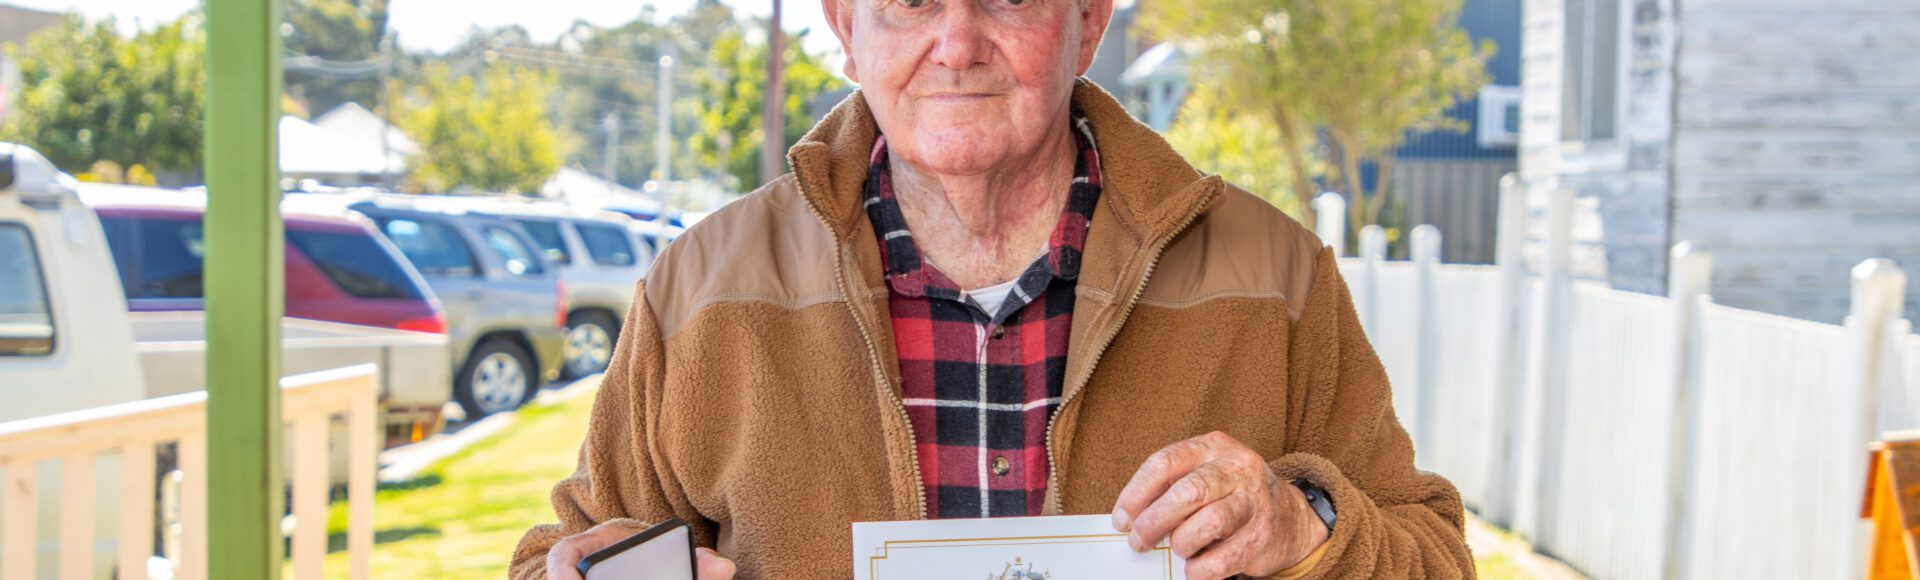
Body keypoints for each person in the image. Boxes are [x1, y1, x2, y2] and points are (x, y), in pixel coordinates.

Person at [514, 0, 1473, 577]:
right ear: (846, 29)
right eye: (910, 0)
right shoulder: (705, 289)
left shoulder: (1275, 278)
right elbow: (570, 548)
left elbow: (1433, 557)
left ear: (1089, 20)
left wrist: (1300, 528)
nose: (959, 41)